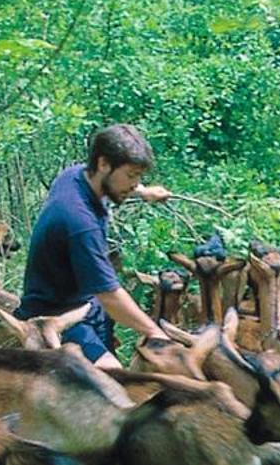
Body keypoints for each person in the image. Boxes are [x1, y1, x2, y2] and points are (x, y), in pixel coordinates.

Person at [15, 124, 172, 368]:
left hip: (87, 306)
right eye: (131, 175)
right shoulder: (78, 221)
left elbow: (115, 185)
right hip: (57, 317)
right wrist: (155, 332)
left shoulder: (74, 175)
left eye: (139, 176)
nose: (135, 183)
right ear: (103, 164)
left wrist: (143, 192)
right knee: (115, 386)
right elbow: (109, 295)